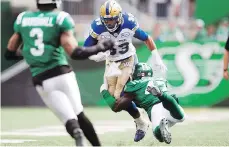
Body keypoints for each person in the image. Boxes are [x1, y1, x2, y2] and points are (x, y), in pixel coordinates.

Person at [4, 0, 114, 146]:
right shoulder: (60, 18)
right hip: (63, 74)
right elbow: (75, 52)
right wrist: (99, 47)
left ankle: (76, 132)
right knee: (79, 113)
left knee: (68, 118)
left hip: (42, 79)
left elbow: (9, 53)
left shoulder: (23, 18)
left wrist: (30, 53)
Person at [84, 0, 167, 142]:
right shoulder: (97, 27)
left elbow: (147, 38)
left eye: (112, 20)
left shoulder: (128, 22)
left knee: (128, 92)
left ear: (120, 17)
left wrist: (156, 56)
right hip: (111, 62)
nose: (109, 23)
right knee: (116, 102)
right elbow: (86, 49)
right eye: (107, 21)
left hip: (128, 58)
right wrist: (95, 56)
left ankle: (154, 117)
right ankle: (140, 120)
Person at [100, 63, 185, 144]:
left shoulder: (133, 85)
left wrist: (104, 92)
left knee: (159, 135)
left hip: (155, 109)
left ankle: (160, 128)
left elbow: (116, 107)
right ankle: (164, 97)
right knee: (180, 118)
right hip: (170, 106)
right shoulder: (160, 80)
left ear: (135, 74)